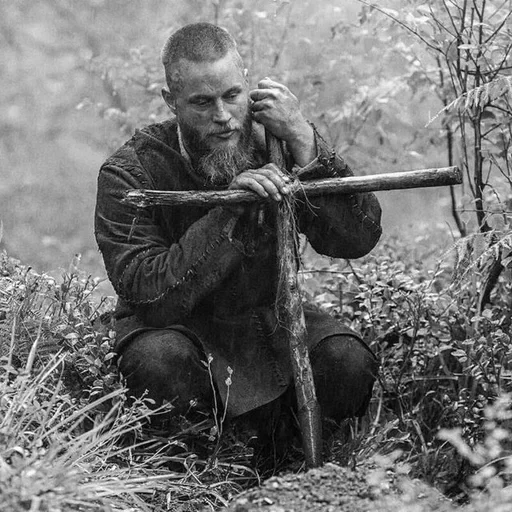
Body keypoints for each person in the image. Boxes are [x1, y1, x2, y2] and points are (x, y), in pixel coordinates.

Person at [95, 22, 382, 460]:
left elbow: (357, 237)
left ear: (247, 83)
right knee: (157, 363)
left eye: (232, 95)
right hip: (179, 329)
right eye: (202, 103)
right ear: (171, 102)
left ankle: (285, 450)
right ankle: (194, 456)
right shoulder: (130, 173)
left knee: (347, 362)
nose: (223, 116)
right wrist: (232, 208)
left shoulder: (279, 145)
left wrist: (305, 138)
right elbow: (148, 296)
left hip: (270, 321)